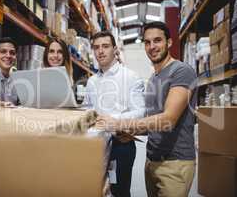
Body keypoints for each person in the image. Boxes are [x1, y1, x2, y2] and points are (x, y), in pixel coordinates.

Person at [95, 21, 197, 197]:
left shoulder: (181, 71)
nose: (152, 46)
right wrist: (127, 131)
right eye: (147, 42)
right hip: (151, 161)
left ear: (169, 42)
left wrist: (120, 122)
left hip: (175, 163)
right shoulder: (153, 78)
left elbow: (168, 120)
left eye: (157, 40)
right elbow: (153, 123)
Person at [84, 31, 145, 197]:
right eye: (96, 47)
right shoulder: (91, 81)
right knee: (97, 190)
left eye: (105, 46)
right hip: (96, 144)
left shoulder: (131, 77)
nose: (100, 51)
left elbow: (140, 112)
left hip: (121, 144)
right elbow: (88, 109)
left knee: (119, 191)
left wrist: (114, 120)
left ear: (115, 50)